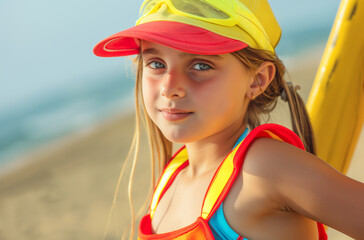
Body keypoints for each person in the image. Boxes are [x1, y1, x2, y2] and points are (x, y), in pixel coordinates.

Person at [93, 0, 364, 239]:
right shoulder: (170, 179)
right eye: (156, 64)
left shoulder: (264, 169)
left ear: (257, 80)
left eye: (200, 65)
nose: (169, 86)